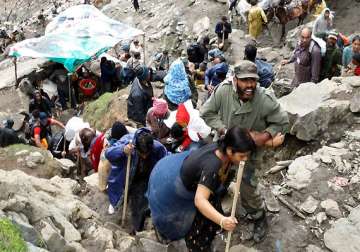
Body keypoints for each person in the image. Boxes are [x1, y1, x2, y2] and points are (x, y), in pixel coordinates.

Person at [200, 60, 289, 242]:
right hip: (226, 149)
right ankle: (217, 215)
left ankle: (258, 216)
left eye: (253, 80)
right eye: (244, 80)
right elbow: (206, 112)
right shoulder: (223, 91)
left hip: (248, 154)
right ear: (234, 79)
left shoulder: (264, 99)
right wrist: (224, 130)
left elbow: (282, 122)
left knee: (247, 188)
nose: (249, 85)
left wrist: (262, 137)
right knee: (218, 180)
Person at [147, 127, 258, 251]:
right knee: (200, 226)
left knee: (213, 203)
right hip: (173, 184)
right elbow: (200, 201)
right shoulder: (212, 166)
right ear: (230, 151)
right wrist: (222, 220)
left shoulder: (223, 148)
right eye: (242, 156)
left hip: (189, 172)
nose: (245, 159)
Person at [105, 128, 168, 233]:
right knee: (119, 194)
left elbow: (166, 157)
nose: (144, 156)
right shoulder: (127, 141)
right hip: (125, 175)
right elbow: (108, 153)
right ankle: (115, 204)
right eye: (142, 153)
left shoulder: (157, 146)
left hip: (143, 178)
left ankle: (136, 229)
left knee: (139, 204)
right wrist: (122, 150)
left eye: (147, 153)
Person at [98, 121, 128, 191]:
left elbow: (109, 131)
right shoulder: (111, 152)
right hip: (111, 181)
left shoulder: (108, 140)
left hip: (105, 176)